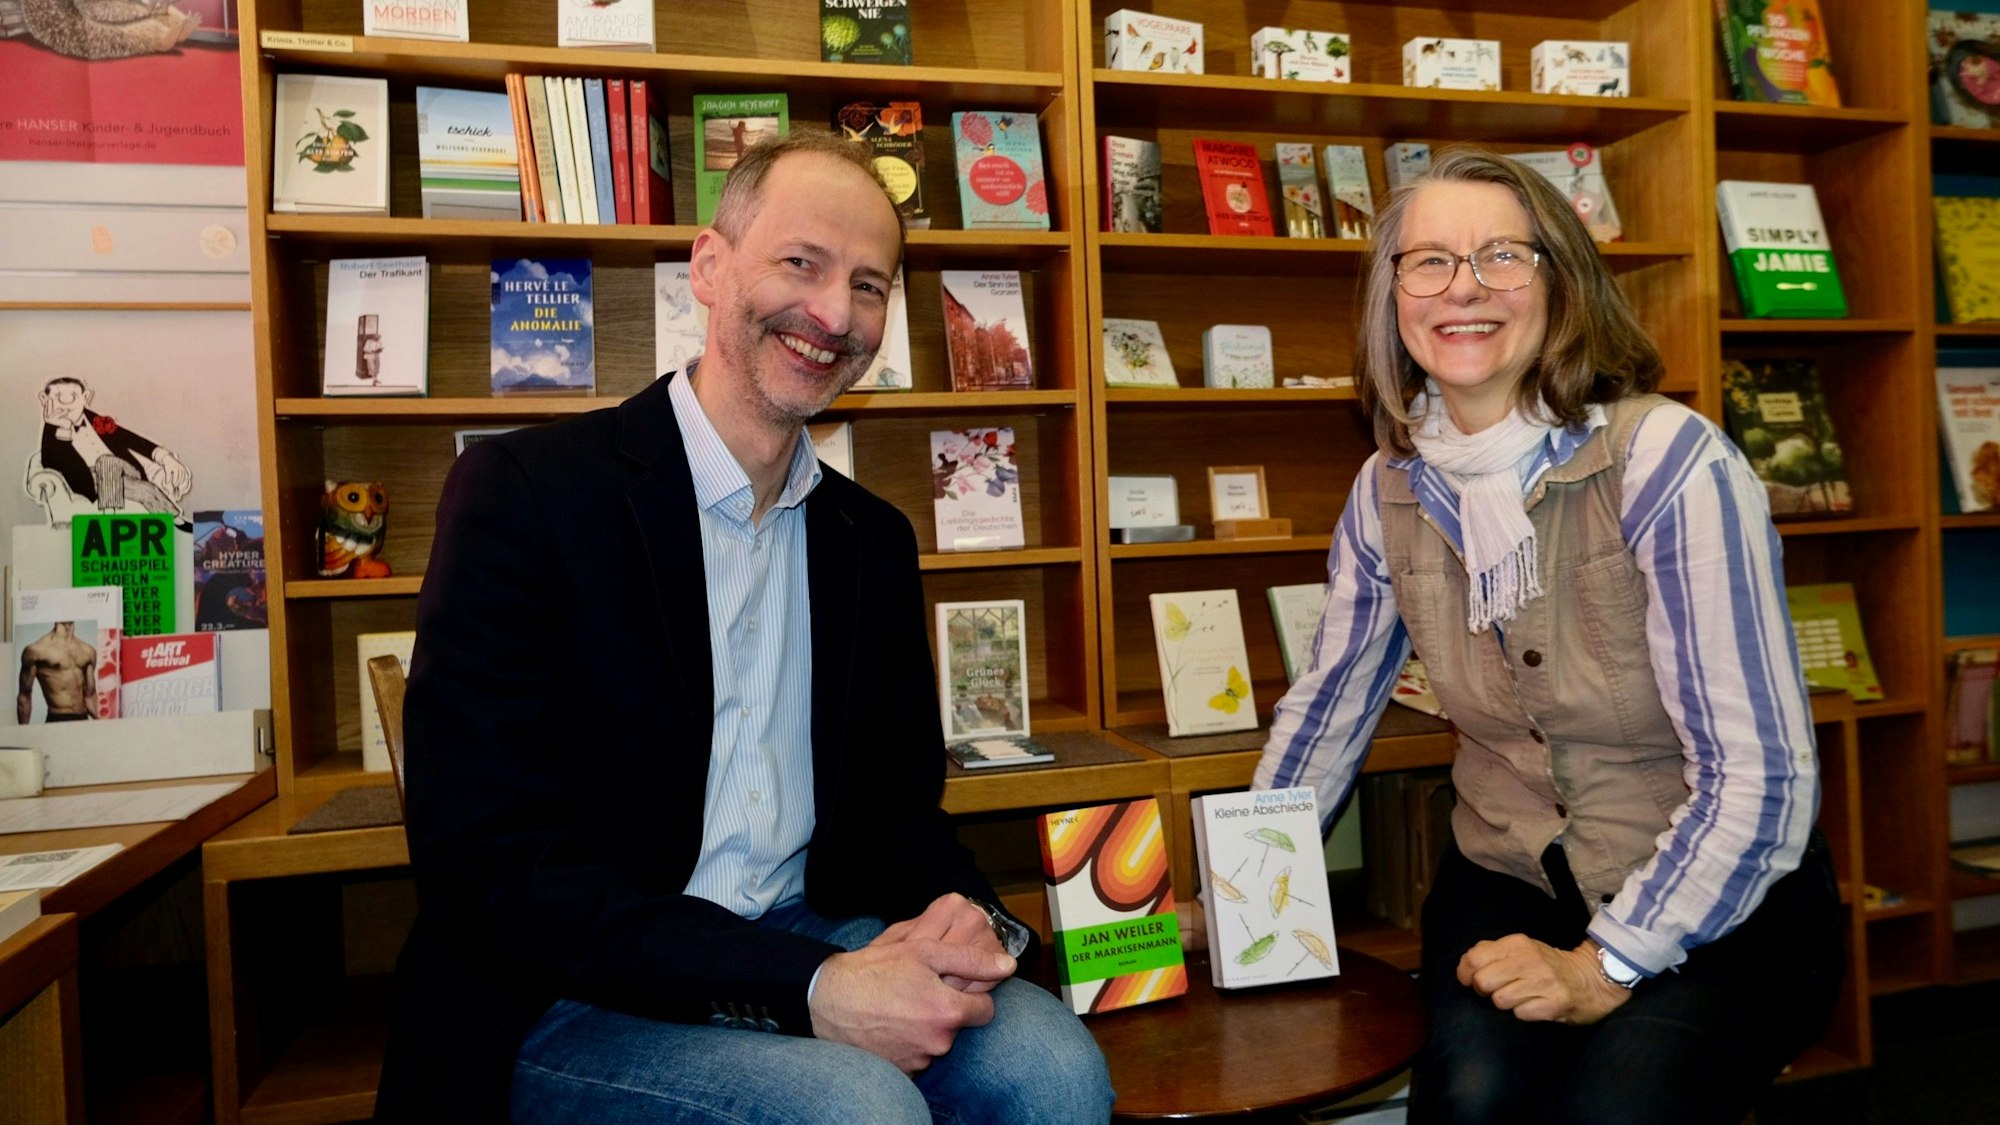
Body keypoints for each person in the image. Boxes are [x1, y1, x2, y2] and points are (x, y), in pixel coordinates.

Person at [375, 133, 1113, 1124]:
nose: (833, 315)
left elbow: (900, 821)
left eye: (867, 285)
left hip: (813, 929)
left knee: (1055, 1068)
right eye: (800, 263)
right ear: (709, 267)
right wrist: (809, 987)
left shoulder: (871, 540)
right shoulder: (525, 494)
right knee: (855, 1109)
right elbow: (488, 868)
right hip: (566, 987)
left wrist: (980, 925)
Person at [1255, 148, 1842, 1125]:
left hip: (1718, 889)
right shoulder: (1385, 486)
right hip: (1510, 875)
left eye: (1502, 256)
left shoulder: (1669, 460)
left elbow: (1762, 778)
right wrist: (1242, 889)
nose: (1463, 288)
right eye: (1428, 262)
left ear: (1562, 284)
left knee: (1620, 1110)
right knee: (1470, 1100)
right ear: (1392, 299)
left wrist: (1604, 966)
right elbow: (1327, 710)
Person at [16, 621, 96, 723]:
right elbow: (24, 695)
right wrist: (23, 731)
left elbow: (91, 696)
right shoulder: (36, 650)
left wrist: (103, 724)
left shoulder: (88, 651)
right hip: (58, 718)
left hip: (83, 719)